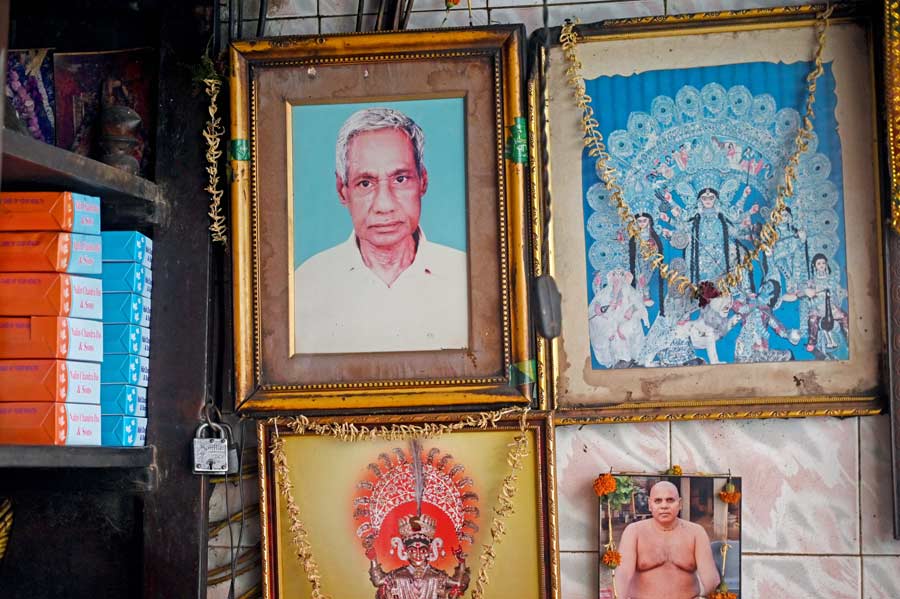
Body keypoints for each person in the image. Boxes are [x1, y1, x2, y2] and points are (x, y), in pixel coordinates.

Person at [293, 107, 468, 354]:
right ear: (342, 190)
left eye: (400, 179)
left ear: (423, 181)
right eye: (365, 183)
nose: (384, 205)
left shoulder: (467, 279)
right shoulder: (305, 286)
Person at [615, 481, 720, 599]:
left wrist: (702, 595)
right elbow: (622, 574)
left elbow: (711, 577)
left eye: (670, 500)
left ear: (680, 504)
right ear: (650, 505)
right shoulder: (634, 532)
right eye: (658, 501)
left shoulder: (696, 532)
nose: (664, 506)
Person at [368, 514, 470, 599]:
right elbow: (378, 581)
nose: (418, 554)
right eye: (412, 550)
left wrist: (461, 562)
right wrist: (373, 559)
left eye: (422, 550)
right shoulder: (397, 575)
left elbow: (458, 583)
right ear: (406, 552)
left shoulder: (438, 576)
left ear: (429, 551)